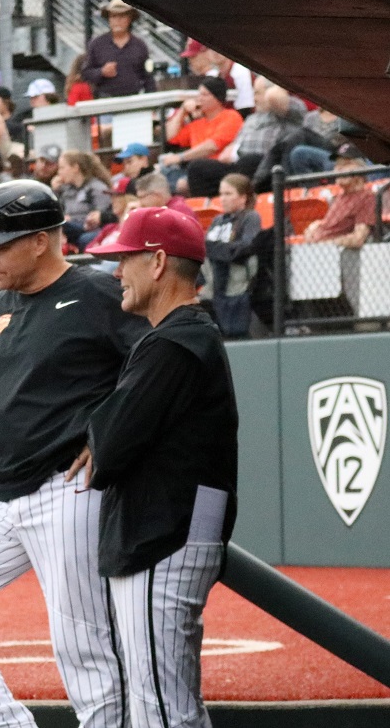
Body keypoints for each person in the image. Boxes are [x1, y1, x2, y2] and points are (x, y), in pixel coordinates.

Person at [0, 179, 148, 728]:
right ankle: (4, 723)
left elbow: (158, 363)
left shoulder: (96, 293)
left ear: (42, 240)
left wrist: (109, 432)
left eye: (0, 243)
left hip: (70, 489)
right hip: (5, 493)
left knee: (83, 648)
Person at [82, 205, 238, 728]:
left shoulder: (174, 342)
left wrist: (99, 429)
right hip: (178, 533)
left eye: (124, 258)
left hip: (160, 538)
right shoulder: (188, 335)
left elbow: (110, 445)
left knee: (162, 710)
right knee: (169, 705)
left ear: (157, 262)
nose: (115, 271)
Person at [160, 77, 244, 194]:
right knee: (161, 172)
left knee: (181, 183)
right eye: (199, 94)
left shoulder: (231, 117)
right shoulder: (197, 123)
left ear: (217, 98)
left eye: (204, 95)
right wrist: (183, 110)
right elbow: (170, 136)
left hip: (218, 170)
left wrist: (180, 157)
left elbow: (212, 146)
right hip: (192, 170)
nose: (199, 99)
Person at [201, 174, 262, 337]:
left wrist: (214, 249)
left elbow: (246, 246)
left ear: (243, 197)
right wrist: (222, 250)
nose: (223, 199)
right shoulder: (217, 220)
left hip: (237, 286)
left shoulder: (250, 217)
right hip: (214, 286)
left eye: (228, 194)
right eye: (221, 194)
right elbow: (206, 248)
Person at [303, 143, 375, 248]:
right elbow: (331, 227)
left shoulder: (366, 197)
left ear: (360, 168)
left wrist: (325, 245)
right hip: (314, 250)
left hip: (332, 254)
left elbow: (358, 238)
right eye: (337, 164)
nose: (338, 169)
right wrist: (316, 226)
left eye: (345, 164)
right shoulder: (339, 197)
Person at [80, 0, 155, 98]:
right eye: (114, 16)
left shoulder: (140, 45)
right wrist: (101, 72)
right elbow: (85, 73)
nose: (118, 20)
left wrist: (152, 102)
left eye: (122, 16)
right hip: (106, 101)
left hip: (135, 100)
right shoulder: (97, 44)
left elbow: (148, 76)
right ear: (109, 19)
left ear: (130, 19)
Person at [52, 150, 112, 250]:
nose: (59, 172)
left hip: (89, 229)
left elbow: (101, 215)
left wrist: (76, 220)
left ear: (75, 168)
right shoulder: (65, 189)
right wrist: (55, 191)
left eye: (62, 168)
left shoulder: (97, 188)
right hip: (70, 228)